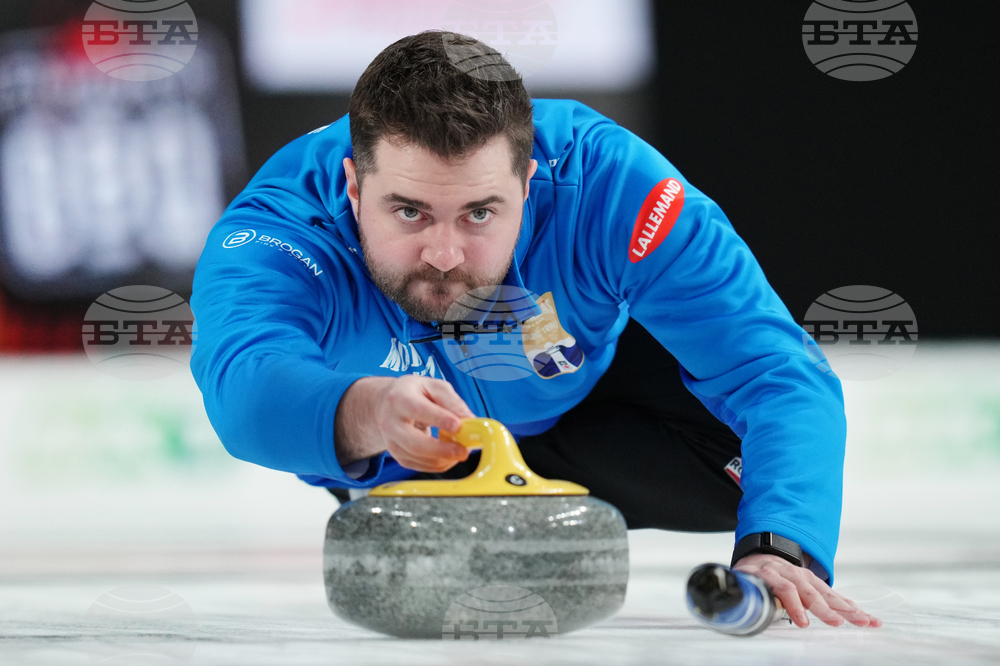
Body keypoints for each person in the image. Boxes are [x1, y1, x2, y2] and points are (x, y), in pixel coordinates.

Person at [190, 31, 880, 630]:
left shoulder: (611, 185)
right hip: (417, 454)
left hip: (591, 394)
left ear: (527, 183)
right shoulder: (280, 228)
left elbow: (773, 371)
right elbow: (245, 386)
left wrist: (778, 546)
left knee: (753, 466)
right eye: (409, 212)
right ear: (352, 187)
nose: (445, 255)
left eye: (479, 213)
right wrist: (367, 410)